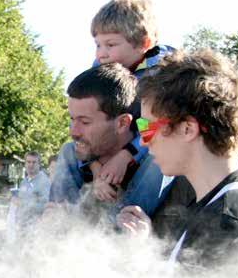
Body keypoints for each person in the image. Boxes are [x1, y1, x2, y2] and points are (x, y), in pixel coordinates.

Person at [116, 50, 238, 268]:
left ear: (188, 129)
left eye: (147, 128)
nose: (142, 142)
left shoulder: (231, 224)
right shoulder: (214, 208)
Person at [49, 63, 167, 223]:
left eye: (85, 122)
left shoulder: (158, 159)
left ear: (122, 123)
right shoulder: (72, 155)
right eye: (72, 119)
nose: (73, 132)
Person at [87, 0, 175, 204]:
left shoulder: (163, 71)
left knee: (163, 148)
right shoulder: (99, 70)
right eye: (97, 45)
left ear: (143, 43)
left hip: (144, 147)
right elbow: (85, 120)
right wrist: (96, 168)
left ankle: (128, 216)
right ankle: (57, 217)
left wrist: (126, 156)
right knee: (69, 151)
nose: (101, 54)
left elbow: (155, 124)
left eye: (110, 45)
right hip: (110, 147)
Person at [11, 151, 51, 232]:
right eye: (28, 162)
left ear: (39, 164)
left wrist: (22, 203)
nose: (31, 165)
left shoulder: (44, 181)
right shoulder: (24, 181)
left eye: (34, 162)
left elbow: (46, 206)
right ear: (25, 163)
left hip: (35, 230)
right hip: (22, 226)